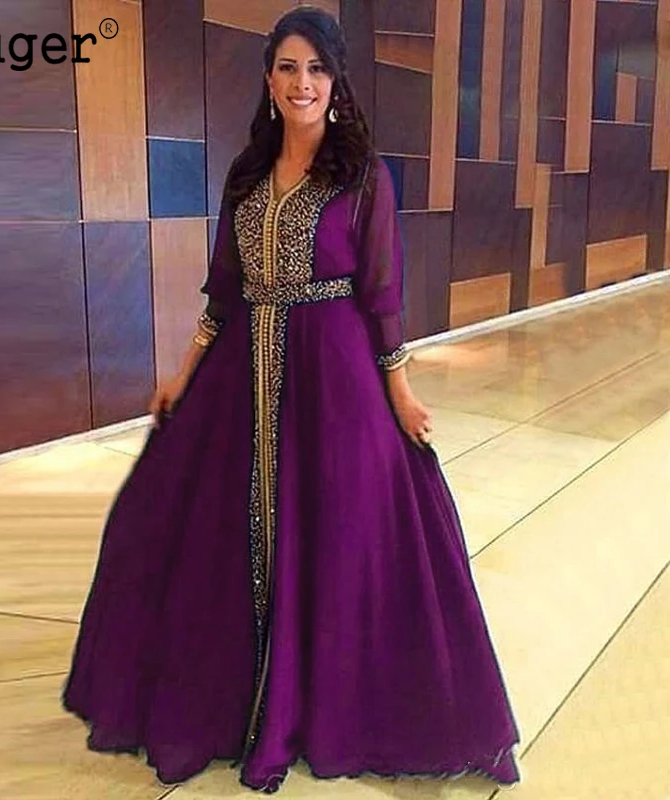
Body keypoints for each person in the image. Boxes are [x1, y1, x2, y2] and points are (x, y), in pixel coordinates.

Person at [62, 6, 521, 794]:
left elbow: (381, 293)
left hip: (334, 373)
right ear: (269, 80)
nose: (301, 82)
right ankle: (233, 695)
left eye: (315, 68)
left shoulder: (362, 175)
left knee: (341, 527)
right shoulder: (247, 172)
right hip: (240, 367)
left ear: (335, 82)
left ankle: (325, 699)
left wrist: (399, 388)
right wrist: (185, 370)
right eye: (287, 68)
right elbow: (224, 289)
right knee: (188, 516)